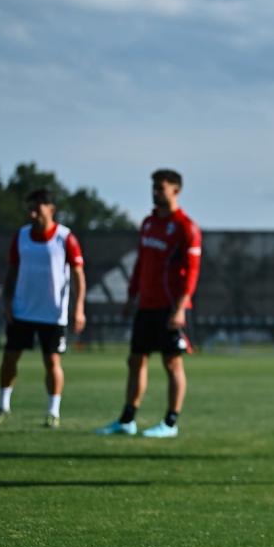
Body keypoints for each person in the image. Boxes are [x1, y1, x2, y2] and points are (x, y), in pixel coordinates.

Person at [96, 169, 202, 439]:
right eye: (153, 188)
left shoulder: (185, 227)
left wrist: (180, 307)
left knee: (172, 363)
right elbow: (141, 263)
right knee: (135, 360)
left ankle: (170, 422)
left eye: (160, 188)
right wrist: (131, 297)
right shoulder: (148, 223)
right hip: (146, 306)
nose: (155, 193)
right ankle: (127, 420)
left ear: (176, 190)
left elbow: (192, 272)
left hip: (171, 307)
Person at [0, 189, 87, 428]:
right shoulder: (21, 236)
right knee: (9, 358)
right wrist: (7, 302)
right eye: (29, 209)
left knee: (52, 362)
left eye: (37, 208)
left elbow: (78, 276)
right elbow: (12, 272)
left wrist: (79, 307)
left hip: (52, 314)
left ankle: (53, 411)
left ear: (51, 209)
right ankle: (2, 406)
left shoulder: (65, 238)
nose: (32, 214)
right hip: (22, 310)